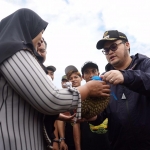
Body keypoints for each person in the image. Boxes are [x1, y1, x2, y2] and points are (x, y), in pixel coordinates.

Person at [0, 8, 110, 150]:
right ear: (28, 27)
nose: (41, 40)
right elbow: (52, 98)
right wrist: (87, 89)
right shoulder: (15, 50)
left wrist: (58, 116)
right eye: (40, 32)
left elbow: (22, 104)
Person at [92, 30, 150, 150]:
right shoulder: (104, 79)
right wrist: (93, 117)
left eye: (113, 46)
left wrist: (125, 76)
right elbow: (102, 112)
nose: (110, 52)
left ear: (127, 45)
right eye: (106, 50)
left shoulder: (145, 64)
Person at [81, 61, 110, 150]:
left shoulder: (108, 91)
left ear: (98, 73)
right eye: (87, 72)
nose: (91, 75)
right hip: (88, 142)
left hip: (108, 141)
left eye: (94, 71)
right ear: (83, 77)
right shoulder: (80, 95)